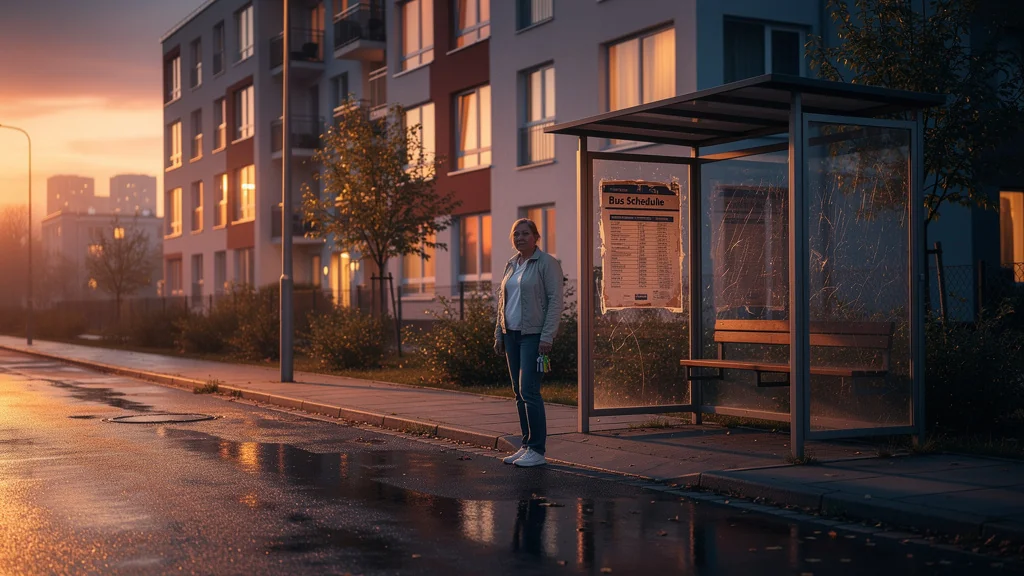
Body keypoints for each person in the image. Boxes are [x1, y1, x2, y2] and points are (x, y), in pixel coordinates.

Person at [494, 218, 563, 468]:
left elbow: (555, 301)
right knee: (518, 393)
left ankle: (537, 449)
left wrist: (547, 336)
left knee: (529, 391)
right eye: (516, 234)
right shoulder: (512, 264)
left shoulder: (547, 263)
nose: (520, 238)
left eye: (525, 233)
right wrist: (499, 334)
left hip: (533, 335)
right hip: (510, 334)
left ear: (536, 237)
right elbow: (502, 302)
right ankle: (525, 445)